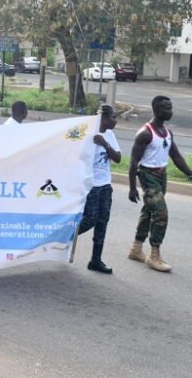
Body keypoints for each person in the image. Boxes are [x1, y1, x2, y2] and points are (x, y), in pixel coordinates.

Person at [127, 96, 192, 272]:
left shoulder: (167, 132)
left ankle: (136, 249)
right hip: (148, 176)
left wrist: (189, 173)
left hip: (161, 176)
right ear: (156, 109)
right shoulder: (145, 133)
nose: (170, 112)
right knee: (161, 214)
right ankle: (154, 255)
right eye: (166, 108)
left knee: (148, 212)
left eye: (171, 108)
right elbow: (133, 162)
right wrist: (132, 187)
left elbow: (176, 156)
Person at [77, 105, 121, 274]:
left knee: (102, 222)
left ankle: (95, 260)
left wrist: (105, 144)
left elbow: (117, 158)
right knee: (90, 220)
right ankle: (66, 237)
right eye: (113, 117)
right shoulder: (88, 135)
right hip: (92, 186)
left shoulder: (109, 135)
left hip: (105, 186)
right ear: (104, 118)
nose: (115, 121)